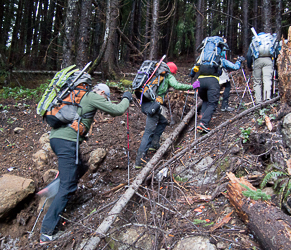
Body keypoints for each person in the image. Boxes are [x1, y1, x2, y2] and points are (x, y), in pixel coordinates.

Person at [39, 79, 132, 245]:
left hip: (57, 139)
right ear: (102, 93)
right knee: (68, 186)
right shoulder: (92, 96)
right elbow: (117, 110)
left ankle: (53, 187)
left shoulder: (77, 97)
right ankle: (46, 232)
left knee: (81, 167)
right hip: (66, 142)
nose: (104, 100)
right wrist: (126, 98)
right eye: (105, 97)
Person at [134, 62, 193, 168]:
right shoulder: (168, 76)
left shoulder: (155, 75)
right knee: (148, 132)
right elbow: (177, 85)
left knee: (163, 121)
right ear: (172, 71)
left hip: (145, 103)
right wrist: (192, 86)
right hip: (154, 105)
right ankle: (140, 160)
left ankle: (154, 144)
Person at [190, 50, 245, 133]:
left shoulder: (202, 59)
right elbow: (235, 67)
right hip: (212, 81)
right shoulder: (219, 59)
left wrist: (192, 76)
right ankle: (203, 123)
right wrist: (239, 61)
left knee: (205, 100)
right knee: (213, 103)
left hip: (200, 81)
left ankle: (203, 117)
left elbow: (192, 71)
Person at [246, 31, 277, 104]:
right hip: (268, 60)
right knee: (267, 80)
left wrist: (249, 66)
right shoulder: (269, 41)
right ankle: (267, 99)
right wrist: (275, 64)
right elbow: (275, 53)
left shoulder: (254, 42)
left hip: (257, 61)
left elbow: (248, 55)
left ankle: (258, 101)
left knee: (257, 82)